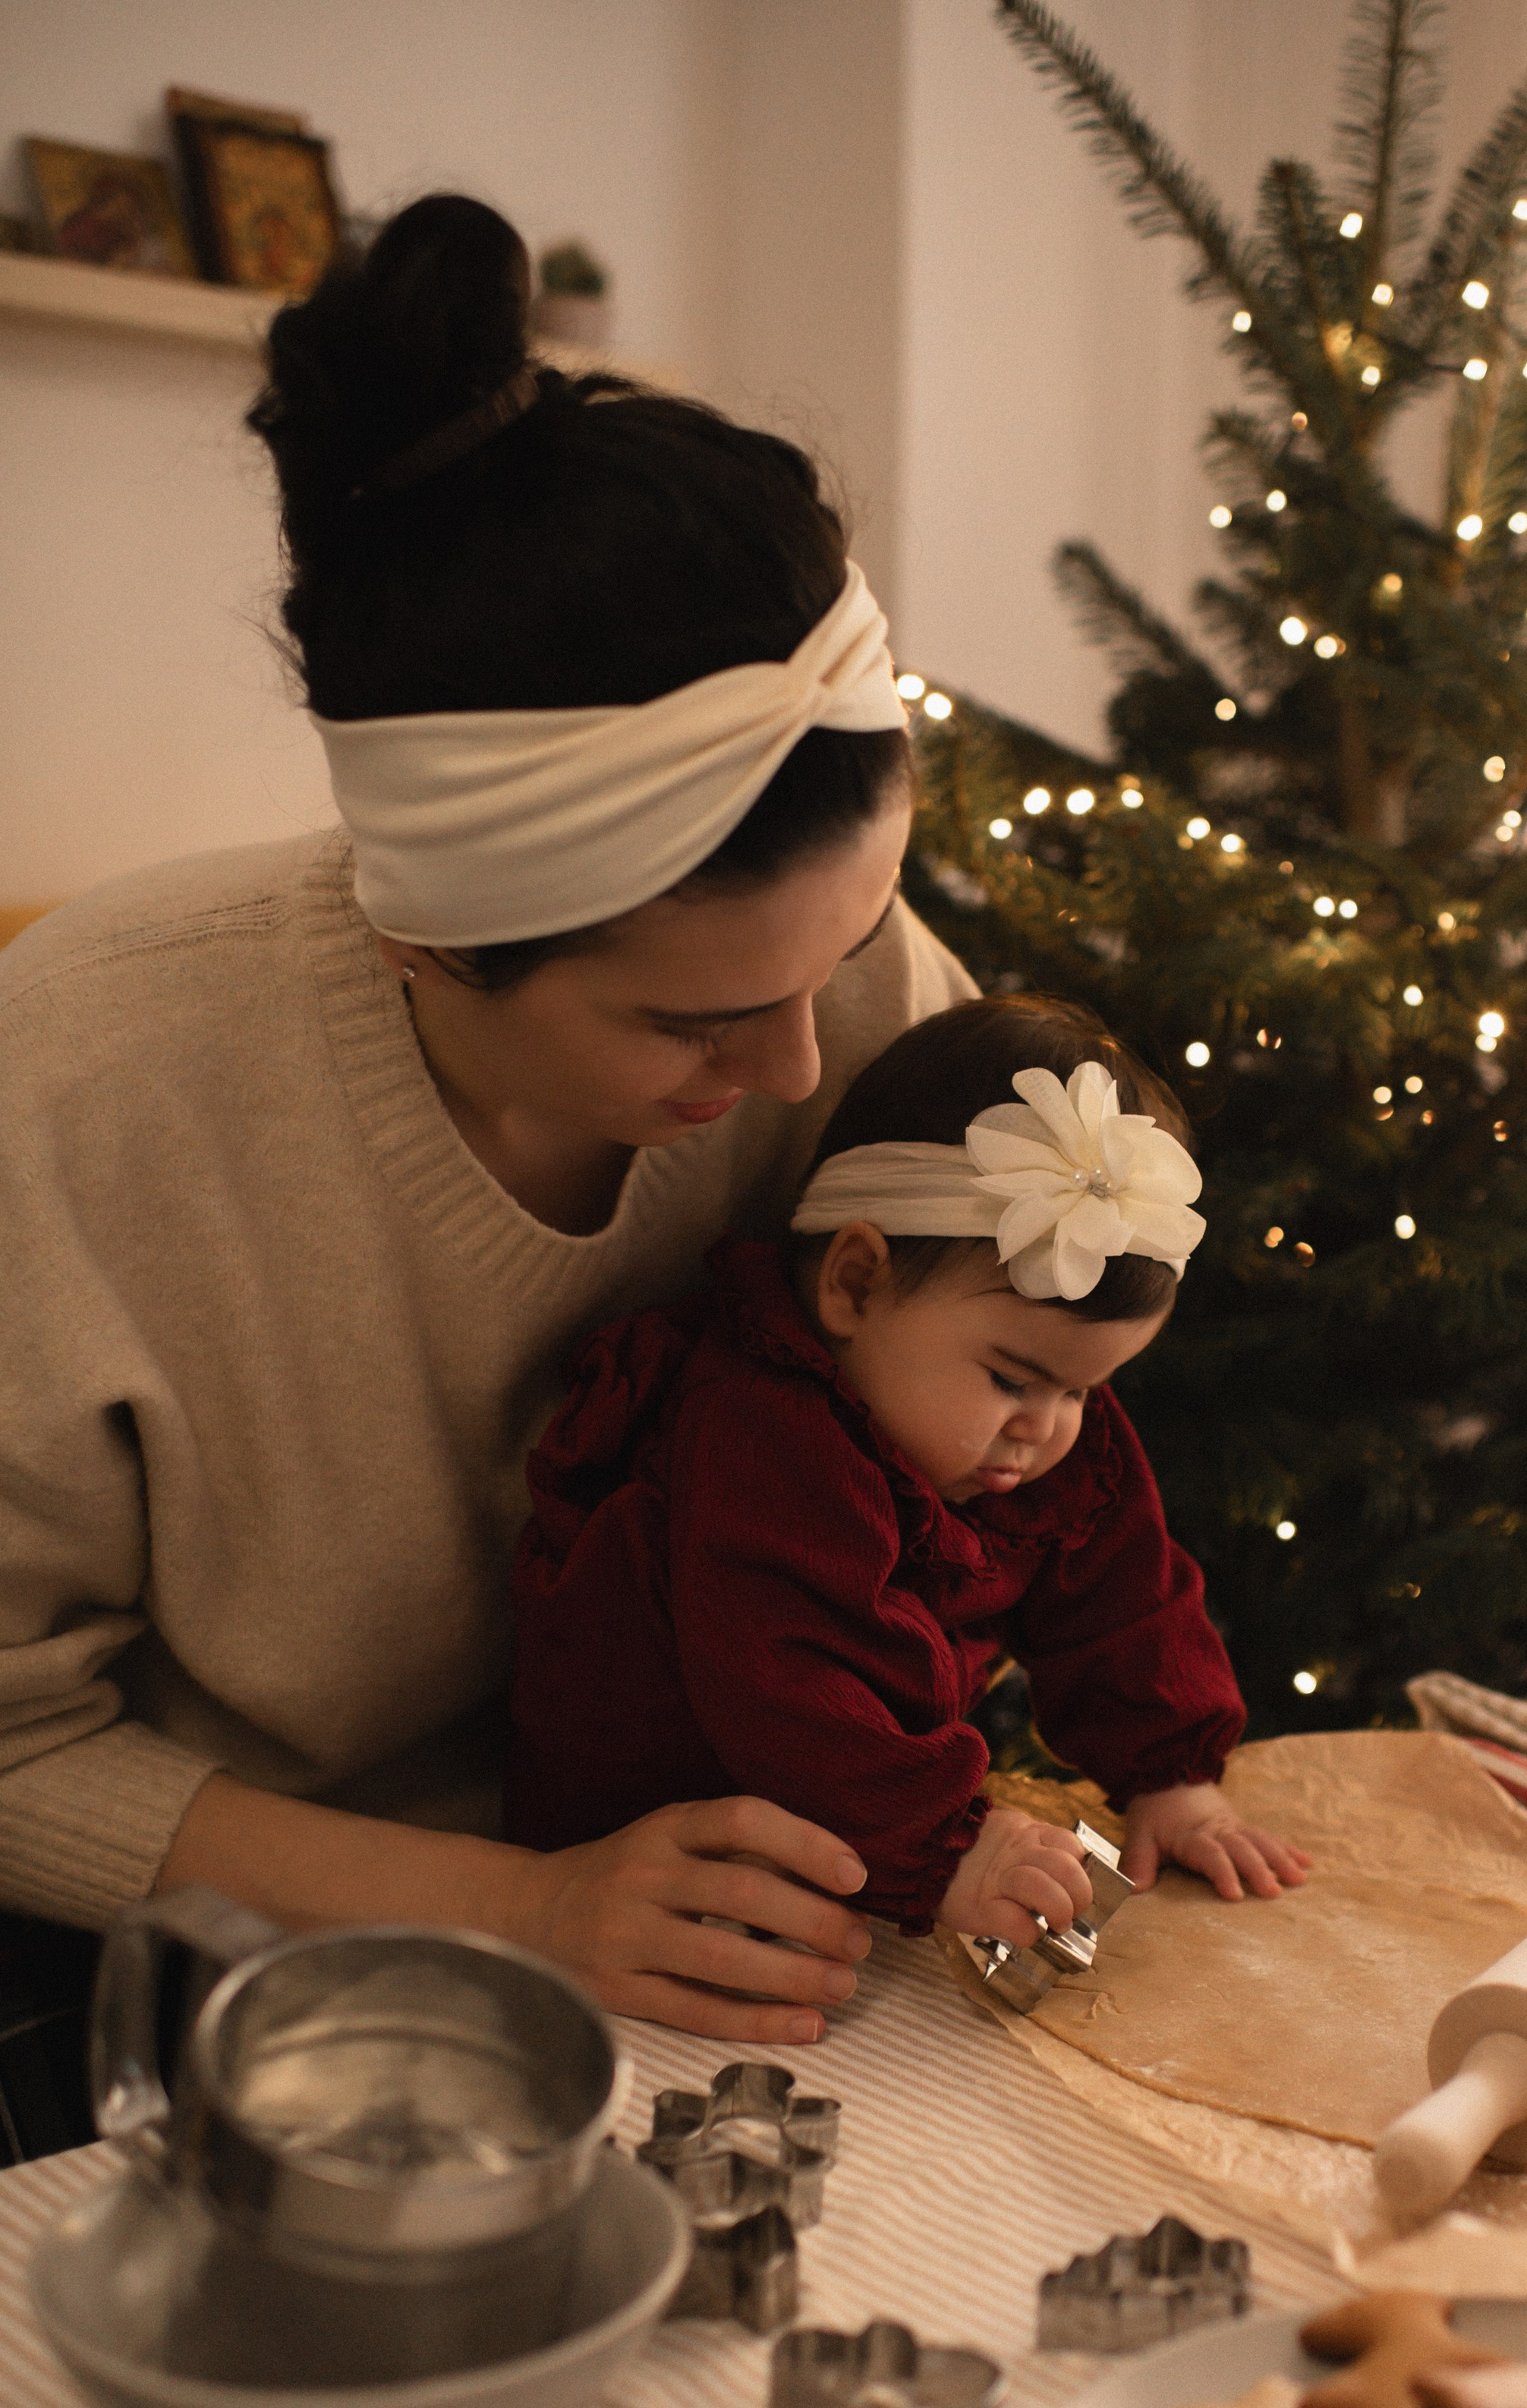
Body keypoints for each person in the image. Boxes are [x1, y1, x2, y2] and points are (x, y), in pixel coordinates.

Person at [0, 192, 978, 2146]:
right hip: (241, 1959)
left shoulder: (858, 1005)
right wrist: (521, 1906)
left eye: (848, 943)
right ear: (426, 940)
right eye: (694, 1022)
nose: (801, 1074)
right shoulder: (91, 1089)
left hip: (740, 1876)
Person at [506, 997, 1308, 1947]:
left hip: (876, 1835)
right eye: (1011, 1377)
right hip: (656, 1852)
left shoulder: (1033, 1430)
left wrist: (1171, 1774)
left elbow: (1123, 1596)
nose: (1047, 1428)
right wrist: (949, 1841)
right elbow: (794, 1681)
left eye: (1084, 1388)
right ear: (855, 1282)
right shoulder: (757, 1429)